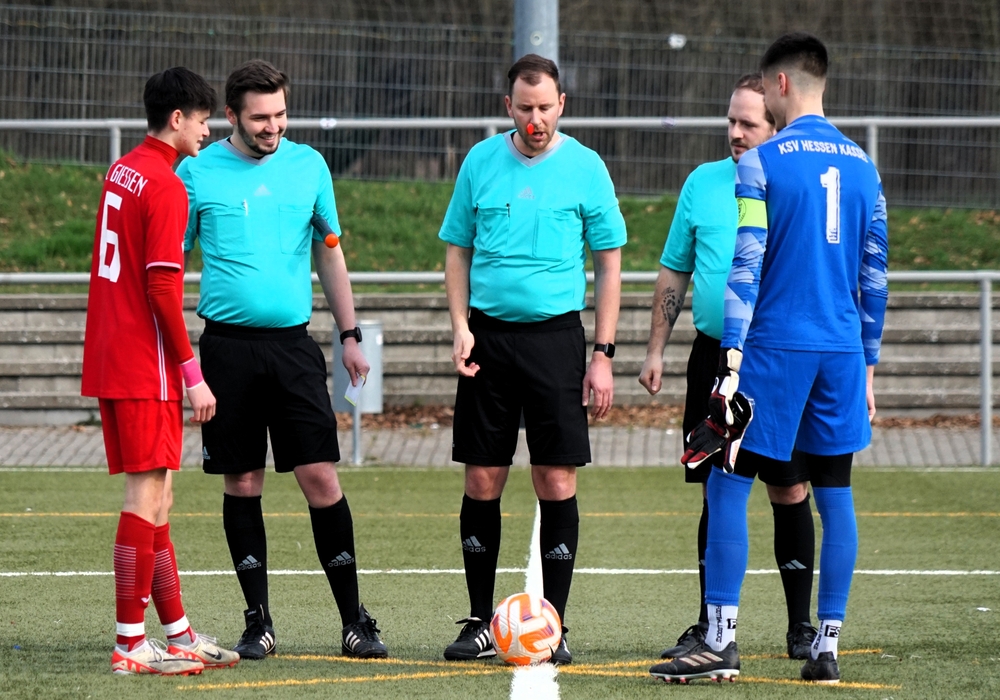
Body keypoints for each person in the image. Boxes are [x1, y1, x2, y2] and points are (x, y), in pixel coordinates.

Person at [649, 32, 888, 685]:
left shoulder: (764, 162)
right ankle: (826, 645)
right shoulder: (865, 166)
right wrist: (867, 365)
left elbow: (745, 265)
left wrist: (730, 357)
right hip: (839, 351)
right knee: (834, 493)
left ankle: (720, 639)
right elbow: (876, 278)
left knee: (727, 481)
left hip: (774, 348)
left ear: (779, 84)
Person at [177, 59, 387, 660]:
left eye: (280, 115)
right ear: (232, 117)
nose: (273, 127)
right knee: (242, 482)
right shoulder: (198, 172)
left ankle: (354, 621)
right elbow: (171, 260)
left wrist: (349, 335)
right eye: (260, 118)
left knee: (320, 476)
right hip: (226, 350)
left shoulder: (310, 166)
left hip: (295, 349)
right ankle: (257, 621)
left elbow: (331, 255)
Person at [438, 53, 627, 666]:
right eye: (525, 107)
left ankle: (558, 625)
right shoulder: (480, 162)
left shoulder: (587, 168)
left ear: (562, 104)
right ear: (508, 107)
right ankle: (477, 621)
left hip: (557, 341)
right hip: (489, 342)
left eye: (546, 107)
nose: (536, 118)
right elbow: (457, 251)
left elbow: (608, 262)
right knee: (481, 479)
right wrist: (461, 327)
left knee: (556, 479)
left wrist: (601, 352)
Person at [639, 74, 820, 662]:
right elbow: (674, 270)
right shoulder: (701, 182)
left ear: (777, 126)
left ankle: (801, 625)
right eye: (732, 121)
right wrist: (655, 348)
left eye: (750, 124)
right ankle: (709, 624)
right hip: (712, 357)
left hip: (775, 360)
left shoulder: (794, 183)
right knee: (717, 493)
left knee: (789, 487)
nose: (736, 134)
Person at [82, 67, 240, 675]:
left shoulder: (123, 168)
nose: (206, 131)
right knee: (145, 493)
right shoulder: (168, 185)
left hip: (112, 350)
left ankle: (174, 631)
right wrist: (190, 370)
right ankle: (129, 643)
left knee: (161, 495)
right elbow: (160, 285)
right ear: (178, 119)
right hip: (142, 360)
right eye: (203, 120)